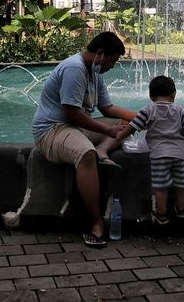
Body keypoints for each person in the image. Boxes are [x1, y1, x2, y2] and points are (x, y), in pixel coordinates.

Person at [31, 31, 137, 248]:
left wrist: (144, 117)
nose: (112, 66)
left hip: (77, 127)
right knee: (85, 153)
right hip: (53, 130)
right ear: (100, 54)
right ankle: (96, 224)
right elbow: (72, 112)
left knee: (126, 125)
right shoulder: (74, 68)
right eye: (112, 60)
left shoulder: (94, 73)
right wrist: (107, 131)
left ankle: (103, 150)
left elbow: (107, 109)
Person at [97, 75, 184, 228]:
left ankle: (162, 214)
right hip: (180, 154)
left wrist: (120, 135)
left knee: (161, 186)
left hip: (159, 155)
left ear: (151, 96)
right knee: (182, 183)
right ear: (174, 94)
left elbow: (133, 126)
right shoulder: (180, 110)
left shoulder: (148, 110)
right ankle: (181, 210)